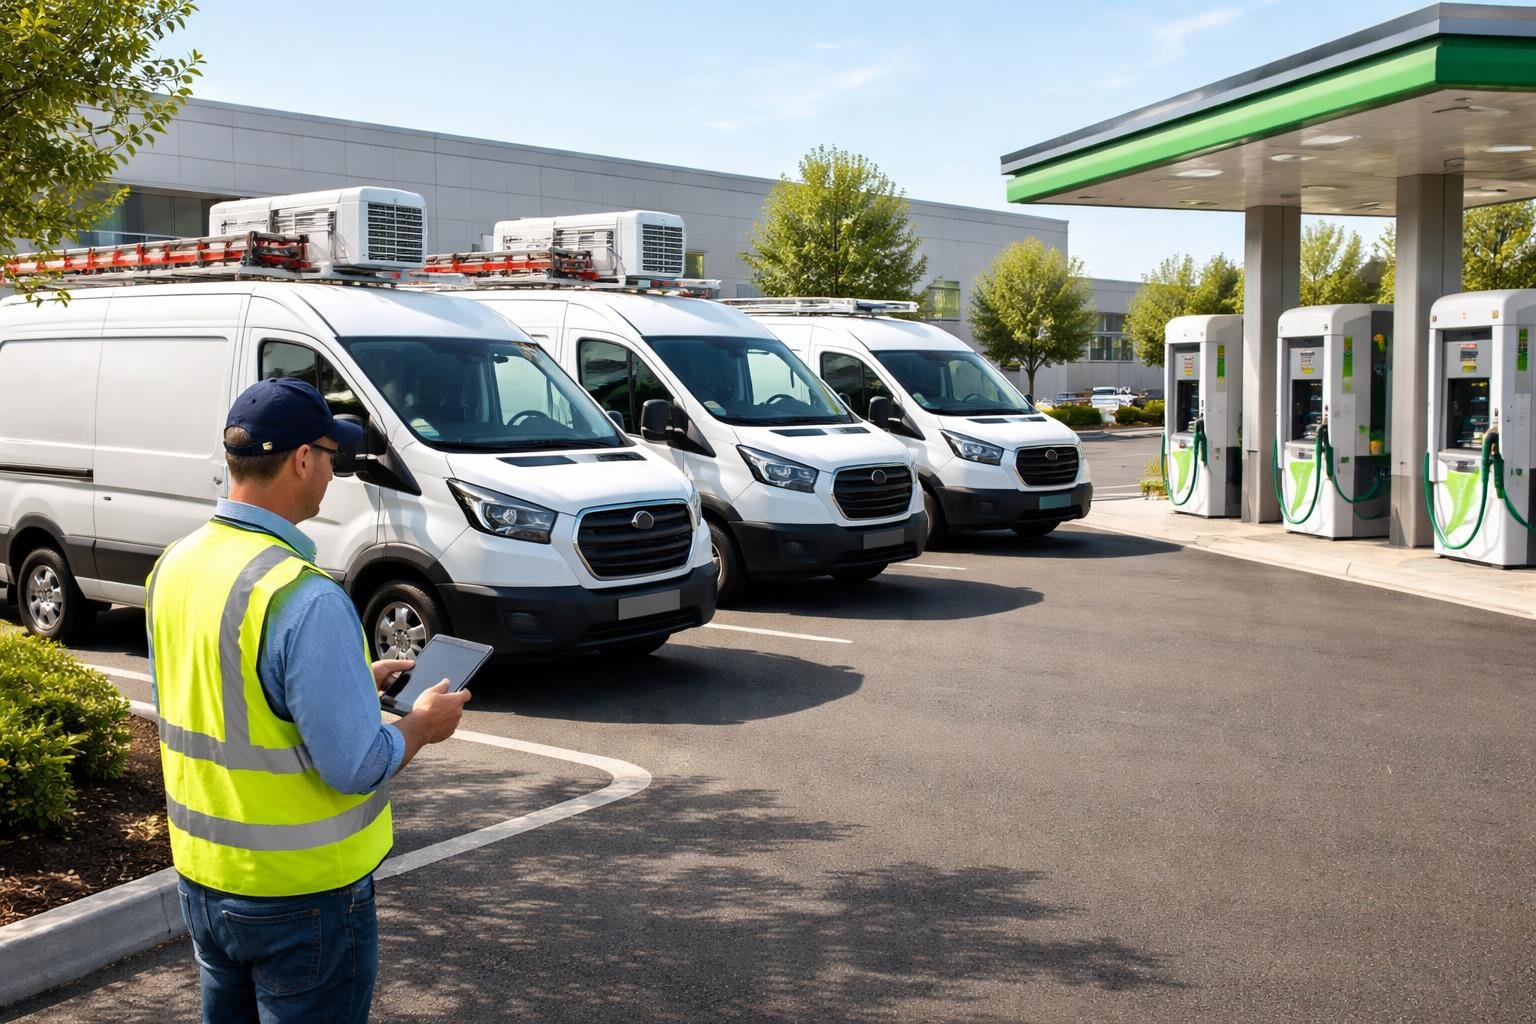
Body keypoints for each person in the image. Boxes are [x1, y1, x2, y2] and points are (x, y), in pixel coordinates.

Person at [146, 377, 471, 1023]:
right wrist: (423, 727)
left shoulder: (176, 564)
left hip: (207, 877)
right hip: (305, 894)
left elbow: (227, 686)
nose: (332, 473)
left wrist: (350, 675)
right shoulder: (305, 594)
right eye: (331, 457)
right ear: (301, 459)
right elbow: (355, 766)